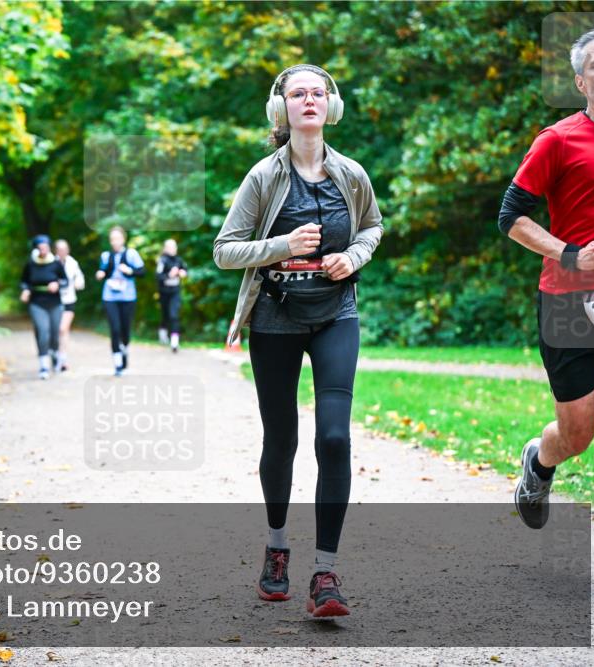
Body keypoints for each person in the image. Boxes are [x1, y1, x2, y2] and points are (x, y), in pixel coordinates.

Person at [214, 64, 383, 617]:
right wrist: (282, 244)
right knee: (281, 438)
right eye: (297, 93)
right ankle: (278, 546)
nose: (308, 100)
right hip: (274, 319)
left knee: (333, 438)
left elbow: (371, 229)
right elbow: (225, 250)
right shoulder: (263, 177)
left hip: (337, 314)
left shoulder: (351, 174)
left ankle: (326, 573)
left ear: (329, 106)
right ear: (280, 108)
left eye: (317, 93)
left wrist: (351, 257)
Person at [498, 26, 594, 529]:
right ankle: (539, 463)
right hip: (570, 302)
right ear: (581, 82)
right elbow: (512, 218)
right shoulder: (559, 140)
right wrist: (572, 255)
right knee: (577, 436)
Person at [96, 226, 145, 376]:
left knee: (125, 330)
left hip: (128, 297)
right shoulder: (106, 256)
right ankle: (117, 363)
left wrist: (130, 271)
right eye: (112, 239)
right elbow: (103, 271)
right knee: (115, 329)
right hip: (110, 297)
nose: (115, 242)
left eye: (117, 238)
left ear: (123, 239)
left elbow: (142, 272)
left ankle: (125, 349)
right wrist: (100, 274)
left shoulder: (131, 254)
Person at [19, 235, 68, 380]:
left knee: (54, 333)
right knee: (42, 332)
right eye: (40, 247)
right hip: (37, 303)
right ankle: (44, 365)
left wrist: (57, 284)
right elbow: (24, 281)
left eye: (45, 247)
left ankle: (54, 353)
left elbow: (65, 280)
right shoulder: (31, 264)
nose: (43, 250)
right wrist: (25, 290)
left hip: (55, 303)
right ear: (36, 249)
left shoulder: (56, 263)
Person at [55, 239, 85, 372]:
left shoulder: (73, 263)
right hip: (54, 301)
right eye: (60, 249)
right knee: (55, 330)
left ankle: (63, 358)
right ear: (56, 250)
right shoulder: (51, 263)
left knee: (63, 329)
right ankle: (55, 353)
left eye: (65, 249)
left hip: (69, 300)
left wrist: (79, 283)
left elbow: (80, 277)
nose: (63, 252)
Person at [155, 239, 188, 352]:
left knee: (174, 315)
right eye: (170, 247)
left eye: (174, 247)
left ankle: (174, 342)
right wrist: (169, 275)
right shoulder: (162, 261)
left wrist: (182, 273)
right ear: (165, 248)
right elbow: (158, 276)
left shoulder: (179, 260)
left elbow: (185, 270)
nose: (172, 249)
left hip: (175, 292)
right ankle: (162, 334)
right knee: (165, 315)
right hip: (164, 292)